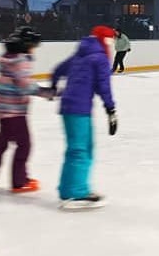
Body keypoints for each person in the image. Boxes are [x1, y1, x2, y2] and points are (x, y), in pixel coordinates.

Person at [0, 26, 54, 192]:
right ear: (26, 45)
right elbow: (25, 86)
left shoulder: (7, 58)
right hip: (14, 111)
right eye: (33, 46)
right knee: (24, 145)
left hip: (3, 109)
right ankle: (19, 182)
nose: (34, 50)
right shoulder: (21, 60)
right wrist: (48, 92)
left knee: (1, 145)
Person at [50, 25, 118, 209]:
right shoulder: (100, 58)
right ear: (104, 40)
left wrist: (54, 86)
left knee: (79, 148)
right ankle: (76, 192)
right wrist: (111, 109)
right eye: (110, 40)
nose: (111, 45)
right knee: (80, 150)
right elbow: (104, 86)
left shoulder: (80, 54)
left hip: (68, 107)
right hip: (79, 109)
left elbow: (57, 70)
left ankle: (69, 189)